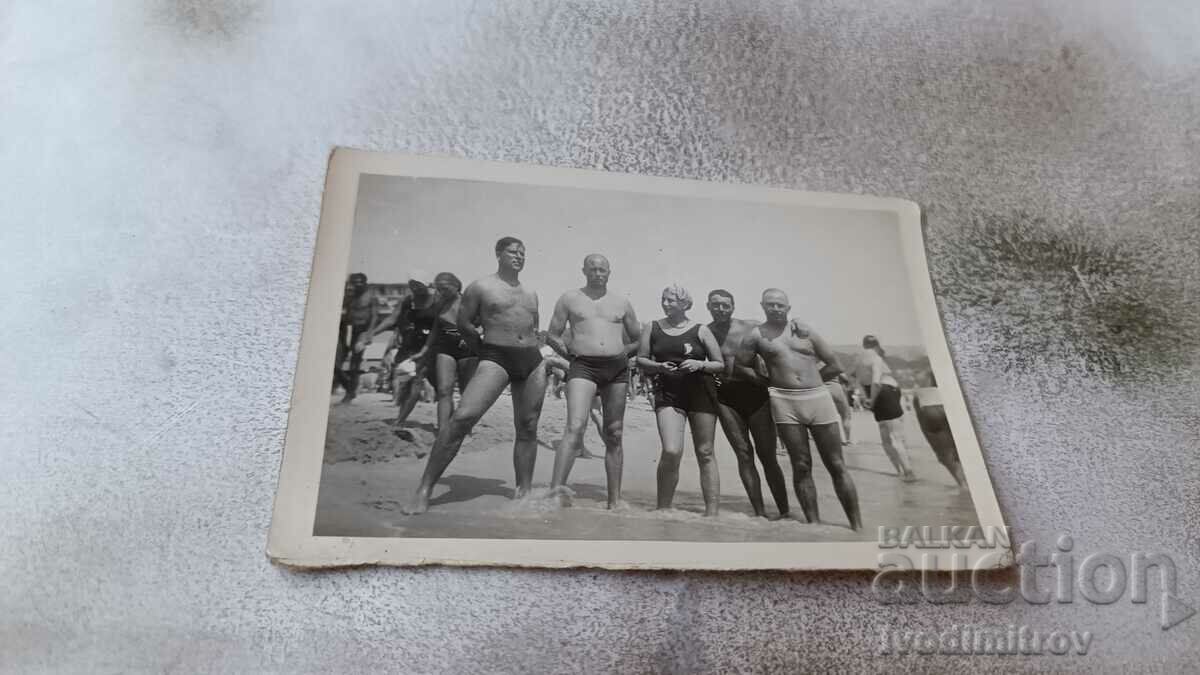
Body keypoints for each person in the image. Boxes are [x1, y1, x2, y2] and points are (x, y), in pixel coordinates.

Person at [403, 237, 549, 514]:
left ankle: (524, 492)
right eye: (512, 252)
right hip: (496, 357)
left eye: (522, 253)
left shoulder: (531, 293)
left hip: (531, 360)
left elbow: (534, 326)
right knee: (462, 418)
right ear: (498, 254)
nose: (518, 256)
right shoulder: (481, 286)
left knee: (528, 427)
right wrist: (481, 349)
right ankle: (424, 489)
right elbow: (464, 323)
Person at [738, 289, 862, 531]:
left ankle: (857, 527)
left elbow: (834, 364)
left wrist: (812, 380)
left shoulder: (805, 331)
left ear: (788, 307)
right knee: (801, 464)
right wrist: (768, 383)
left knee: (836, 463)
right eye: (770, 304)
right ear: (762, 306)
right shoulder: (756, 335)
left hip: (817, 398)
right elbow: (741, 365)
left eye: (780, 305)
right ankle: (814, 526)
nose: (775, 309)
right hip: (784, 401)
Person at [546, 254, 642, 509]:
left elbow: (637, 338)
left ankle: (615, 500)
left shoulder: (622, 302)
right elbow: (552, 335)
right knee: (575, 426)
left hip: (616, 370)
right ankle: (555, 493)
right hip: (583, 367)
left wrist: (624, 353)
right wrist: (572, 355)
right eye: (593, 269)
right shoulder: (570, 298)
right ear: (584, 271)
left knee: (614, 431)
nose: (598, 273)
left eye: (602, 269)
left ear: (609, 272)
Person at [637, 285, 725, 516]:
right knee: (671, 450)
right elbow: (641, 360)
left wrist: (700, 364)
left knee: (705, 452)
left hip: (700, 392)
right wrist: (658, 366)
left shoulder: (701, 330)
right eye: (663, 299)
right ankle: (663, 509)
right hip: (668, 392)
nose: (665, 304)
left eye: (671, 301)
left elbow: (719, 363)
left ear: (685, 304)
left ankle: (712, 514)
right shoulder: (652, 327)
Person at [705, 289, 789, 519]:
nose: (720, 309)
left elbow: (778, 334)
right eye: (715, 305)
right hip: (726, 398)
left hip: (756, 395)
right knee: (743, 454)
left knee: (768, 455)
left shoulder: (750, 327)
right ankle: (759, 513)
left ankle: (785, 512)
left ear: (733, 307)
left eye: (725, 305)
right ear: (708, 307)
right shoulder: (705, 332)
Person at [358, 277, 439, 425]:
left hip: (429, 346)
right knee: (408, 383)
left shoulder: (436, 300)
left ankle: (401, 420)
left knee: (424, 383)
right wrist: (372, 333)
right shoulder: (407, 301)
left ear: (427, 285)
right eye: (412, 285)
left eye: (418, 285)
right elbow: (391, 319)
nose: (415, 288)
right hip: (408, 346)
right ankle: (401, 419)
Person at [853, 334, 915, 481]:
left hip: (874, 395)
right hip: (886, 394)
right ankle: (909, 472)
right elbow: (877, 382)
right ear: (876, 345)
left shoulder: (858, 360)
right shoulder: (876, 359)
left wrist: (867, 399)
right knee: (897, 437)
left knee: (885, 438)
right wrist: (873, 400)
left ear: (863, 345)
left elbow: (858, 382)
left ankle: (899, 471)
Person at [913, 372, 968, 490]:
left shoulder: (919, 393)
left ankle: (962, 484)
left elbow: (921, 420)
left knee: (944, 454)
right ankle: (968, 482)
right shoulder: (949, 387)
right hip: (946, 409)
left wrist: (930, 440)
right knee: (958, 451)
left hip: (929, 410)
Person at [334, 273, 377, 403]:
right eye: (355, 282)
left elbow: (375, 317)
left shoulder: (371, 297)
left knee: (354, 363)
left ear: (365, 283)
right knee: (336, 363)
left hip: (361, 331)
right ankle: (349, 386)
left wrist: (369, 334)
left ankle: (350, 393)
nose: (357, 284)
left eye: (360, 282)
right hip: (347, 330)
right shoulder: (348, 297)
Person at [821, 366, 854, 445]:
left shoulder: (814, 363)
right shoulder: (830, 362)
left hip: (822, 390)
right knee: (845, 415)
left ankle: (831, 439)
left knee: (827, 417)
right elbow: (844, 377)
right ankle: (847, 439)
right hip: (835, 388)